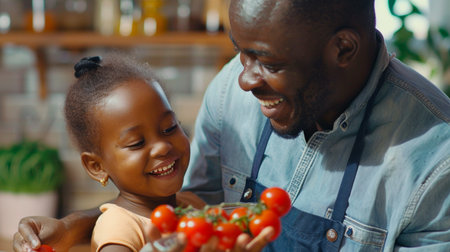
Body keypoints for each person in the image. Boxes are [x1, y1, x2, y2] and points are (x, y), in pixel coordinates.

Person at [14, 0, 450, 251]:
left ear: (343, 48)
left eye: (270, 62)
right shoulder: (231, 90)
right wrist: (84, 221)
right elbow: (180, 206)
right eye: (241, 52)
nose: (244, 78)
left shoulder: (435, 159)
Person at [57, 54, 203, 252]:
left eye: (169, 128)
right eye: (137, 143)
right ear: (96, 166)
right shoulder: (118, 229)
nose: (162, 147)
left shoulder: (192, 204)